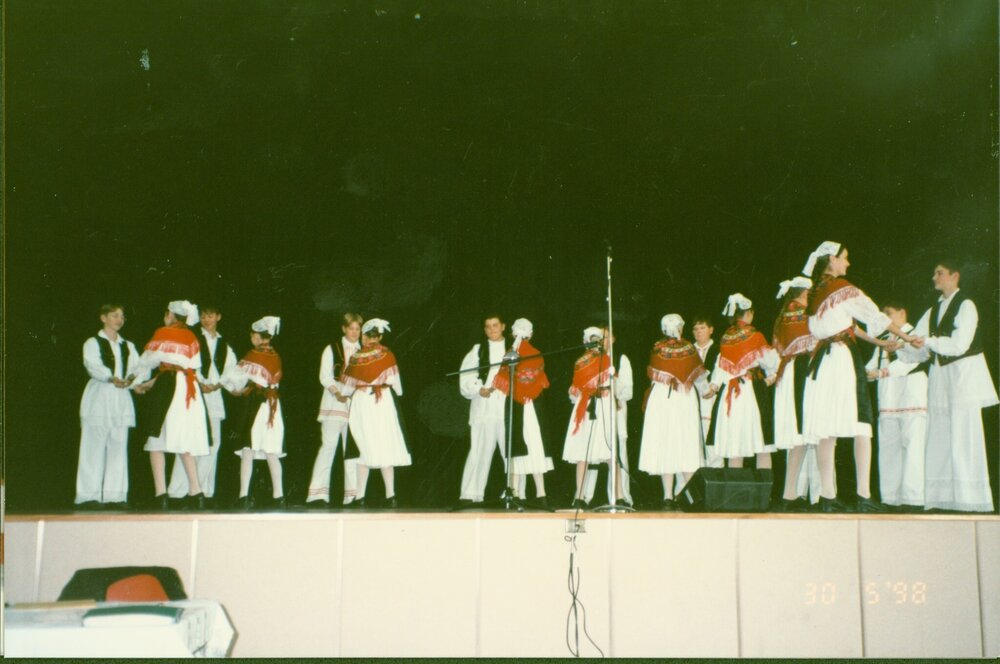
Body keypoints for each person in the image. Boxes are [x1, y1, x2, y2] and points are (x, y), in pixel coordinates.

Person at [801, 241, 917, 512]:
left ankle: (828, 497)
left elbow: (847, 327)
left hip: (822, 364)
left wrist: (881, 344)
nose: (848, 263)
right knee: (861, 423)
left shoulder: (815, 291)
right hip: (841, 360)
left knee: (827, 428)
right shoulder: (842, 289)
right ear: (832, 259)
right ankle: (864, 495)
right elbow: (872, 315)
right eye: (845, 258)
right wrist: (907, 336)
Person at [899, 260, 998, 512]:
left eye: (939, 273)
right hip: (941, 377)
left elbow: (959, 344)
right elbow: (919, 346)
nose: (934, 277)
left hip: (962, 375)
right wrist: (903, 346)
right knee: (940, 432)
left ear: (955, 276)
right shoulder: (933, 309)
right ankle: (943, 498)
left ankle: (971, 499)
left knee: (964, 432)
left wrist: (927, 341)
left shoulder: (966, 305)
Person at [132, 300, 211, 510]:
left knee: (156, 439)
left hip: (170, 389)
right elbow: (186, 367)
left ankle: (161, 494)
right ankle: (197, 492)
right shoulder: (193, 337)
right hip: (188, 388)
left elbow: (147, 361)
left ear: (170, 315)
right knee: (182, 439)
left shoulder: (164, 332)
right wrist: (147, 383)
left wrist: (135, 381)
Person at [167, 303, 236, 505]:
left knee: (213, 443)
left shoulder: (224, 344)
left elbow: (231, 370)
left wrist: (218, 384)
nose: (207, 319)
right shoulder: (193, 337)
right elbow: (187, 362)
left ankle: (203, 489)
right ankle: (179, 490)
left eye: (211, 315)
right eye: (204, 316)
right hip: (193, 392)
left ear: (218, 317)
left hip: (214, 396)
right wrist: (202, 383)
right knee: (190, 443)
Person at [638, 314, 710, 510]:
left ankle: (668, 496)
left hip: (663, 400)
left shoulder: (657, 348)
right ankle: (690, 496)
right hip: (681, 400)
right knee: (686, 443)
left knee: (667, 444)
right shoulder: (688, 348)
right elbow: (699, 377)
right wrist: (707, 390)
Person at [75, 304, 140, 508]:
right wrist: (111, 377)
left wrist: (132, 380)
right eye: (114, 315)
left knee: (118, 447)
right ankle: (88, 496)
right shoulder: (92, 342)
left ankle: (115, 496)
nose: (119, 319)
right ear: (103, 318)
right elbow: (92, 365)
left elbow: (138, 367)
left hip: (120, 399)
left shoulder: (128, 345)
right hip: (100, 398)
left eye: (122, 316)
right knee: (92, 448)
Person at [342, 318, 412, 508]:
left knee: (362, 446)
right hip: (383, 402)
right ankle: (391, 495)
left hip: (363, 402)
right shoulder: (387, 354)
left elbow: (347, 389)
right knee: (384, 445)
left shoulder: (356, 357)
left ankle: (360, 496)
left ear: (364, 336)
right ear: (379, 336)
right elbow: (398, 386)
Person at [865, 302, 927, 511]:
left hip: (911, 397)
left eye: (888, 313)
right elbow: (873, 364)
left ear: (902, 312)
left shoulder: (915, 334)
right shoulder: (882, 339)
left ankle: (913, 498)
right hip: (889, 398)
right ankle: (890, 497)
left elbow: (910, 362)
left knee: (913, 446)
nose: (885, 318)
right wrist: (863, 373)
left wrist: (880, 373)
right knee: (889, 447)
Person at [705, 294, 779, 471]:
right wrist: (771, 378)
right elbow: (772, 362)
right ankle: (763, 494)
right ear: (748, 313)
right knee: (762, 445)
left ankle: (734, 492)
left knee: (734, 446)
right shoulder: (755, 335)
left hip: (730, 395)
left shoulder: (725, 338)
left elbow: (720, 367)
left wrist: (714, 385)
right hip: (751, 391)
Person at [222, 316, 287, 509]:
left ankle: (243, 496)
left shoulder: (254, 355)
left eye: (253, 336)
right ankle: (279, 496)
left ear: (258, 337)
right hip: (272, 405)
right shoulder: (275, 355)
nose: (252, 339)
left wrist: (232, 388)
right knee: (272, 452)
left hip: (256, 405)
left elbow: (234, 376)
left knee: (247, 450)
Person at [771, 277, 823, 511]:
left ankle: (793, 493)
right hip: (799, 371)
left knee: (800, 435)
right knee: (801, 432)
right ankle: (792, 493)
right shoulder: (797, 312)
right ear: (805, 293)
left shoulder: (789, 312)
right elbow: (811, 340)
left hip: (796, 370)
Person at [562, 327, 627, 509]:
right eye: (592, 339)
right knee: (583, 451)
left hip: (605, 404)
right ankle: (579, 495)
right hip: (587, 405)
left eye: (598, 339)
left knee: (610, 451)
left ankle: (619, 496)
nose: (595, 343)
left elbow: (619, 388)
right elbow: (574, 391)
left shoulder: (608, 360)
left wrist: (613, 379)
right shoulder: (581, 362)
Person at [492, 318, 553, 508]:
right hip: (533, 405)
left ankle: (515, 492)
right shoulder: (536, 354)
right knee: (535, 445)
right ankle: (541, 494)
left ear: (512, 334)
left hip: (518, 404)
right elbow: (539, 380)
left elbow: (503, 379)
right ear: (531, 334)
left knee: (517, 444)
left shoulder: (510, 354)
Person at [306, 312, 364, 507]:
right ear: (344, 328)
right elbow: (325, 376)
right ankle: (318, 494)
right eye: (351, 328)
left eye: (357, 329)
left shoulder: (363, 351)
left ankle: (353, 495)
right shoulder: (332, 349)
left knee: (352, 451)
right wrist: (336, 392)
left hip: (354, 406)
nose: (354, 332)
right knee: (328, 446)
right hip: (334, 404)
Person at [456, 314, 508, 505]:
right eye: (488, 327)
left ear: (503, 326)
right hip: (483, 408)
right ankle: (471, 493)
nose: (492, 329)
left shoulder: (513, 349)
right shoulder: (478, 350)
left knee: (511, 452)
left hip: (506, 408)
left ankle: (515, 492)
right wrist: (479, 389)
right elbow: (466, 378)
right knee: (479, 450)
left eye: (495, 325)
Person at [579, 326, 634, 508]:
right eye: (600, 337)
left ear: (613, 339)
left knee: (616, 452)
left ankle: (620, 496)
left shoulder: (620, 358)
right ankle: (584, 496)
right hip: (594, 409)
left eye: (606, 337)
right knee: (591, 451)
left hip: (614, 410)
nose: (603, 341)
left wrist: (614, 384)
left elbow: (627, 390)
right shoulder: (588, 359)